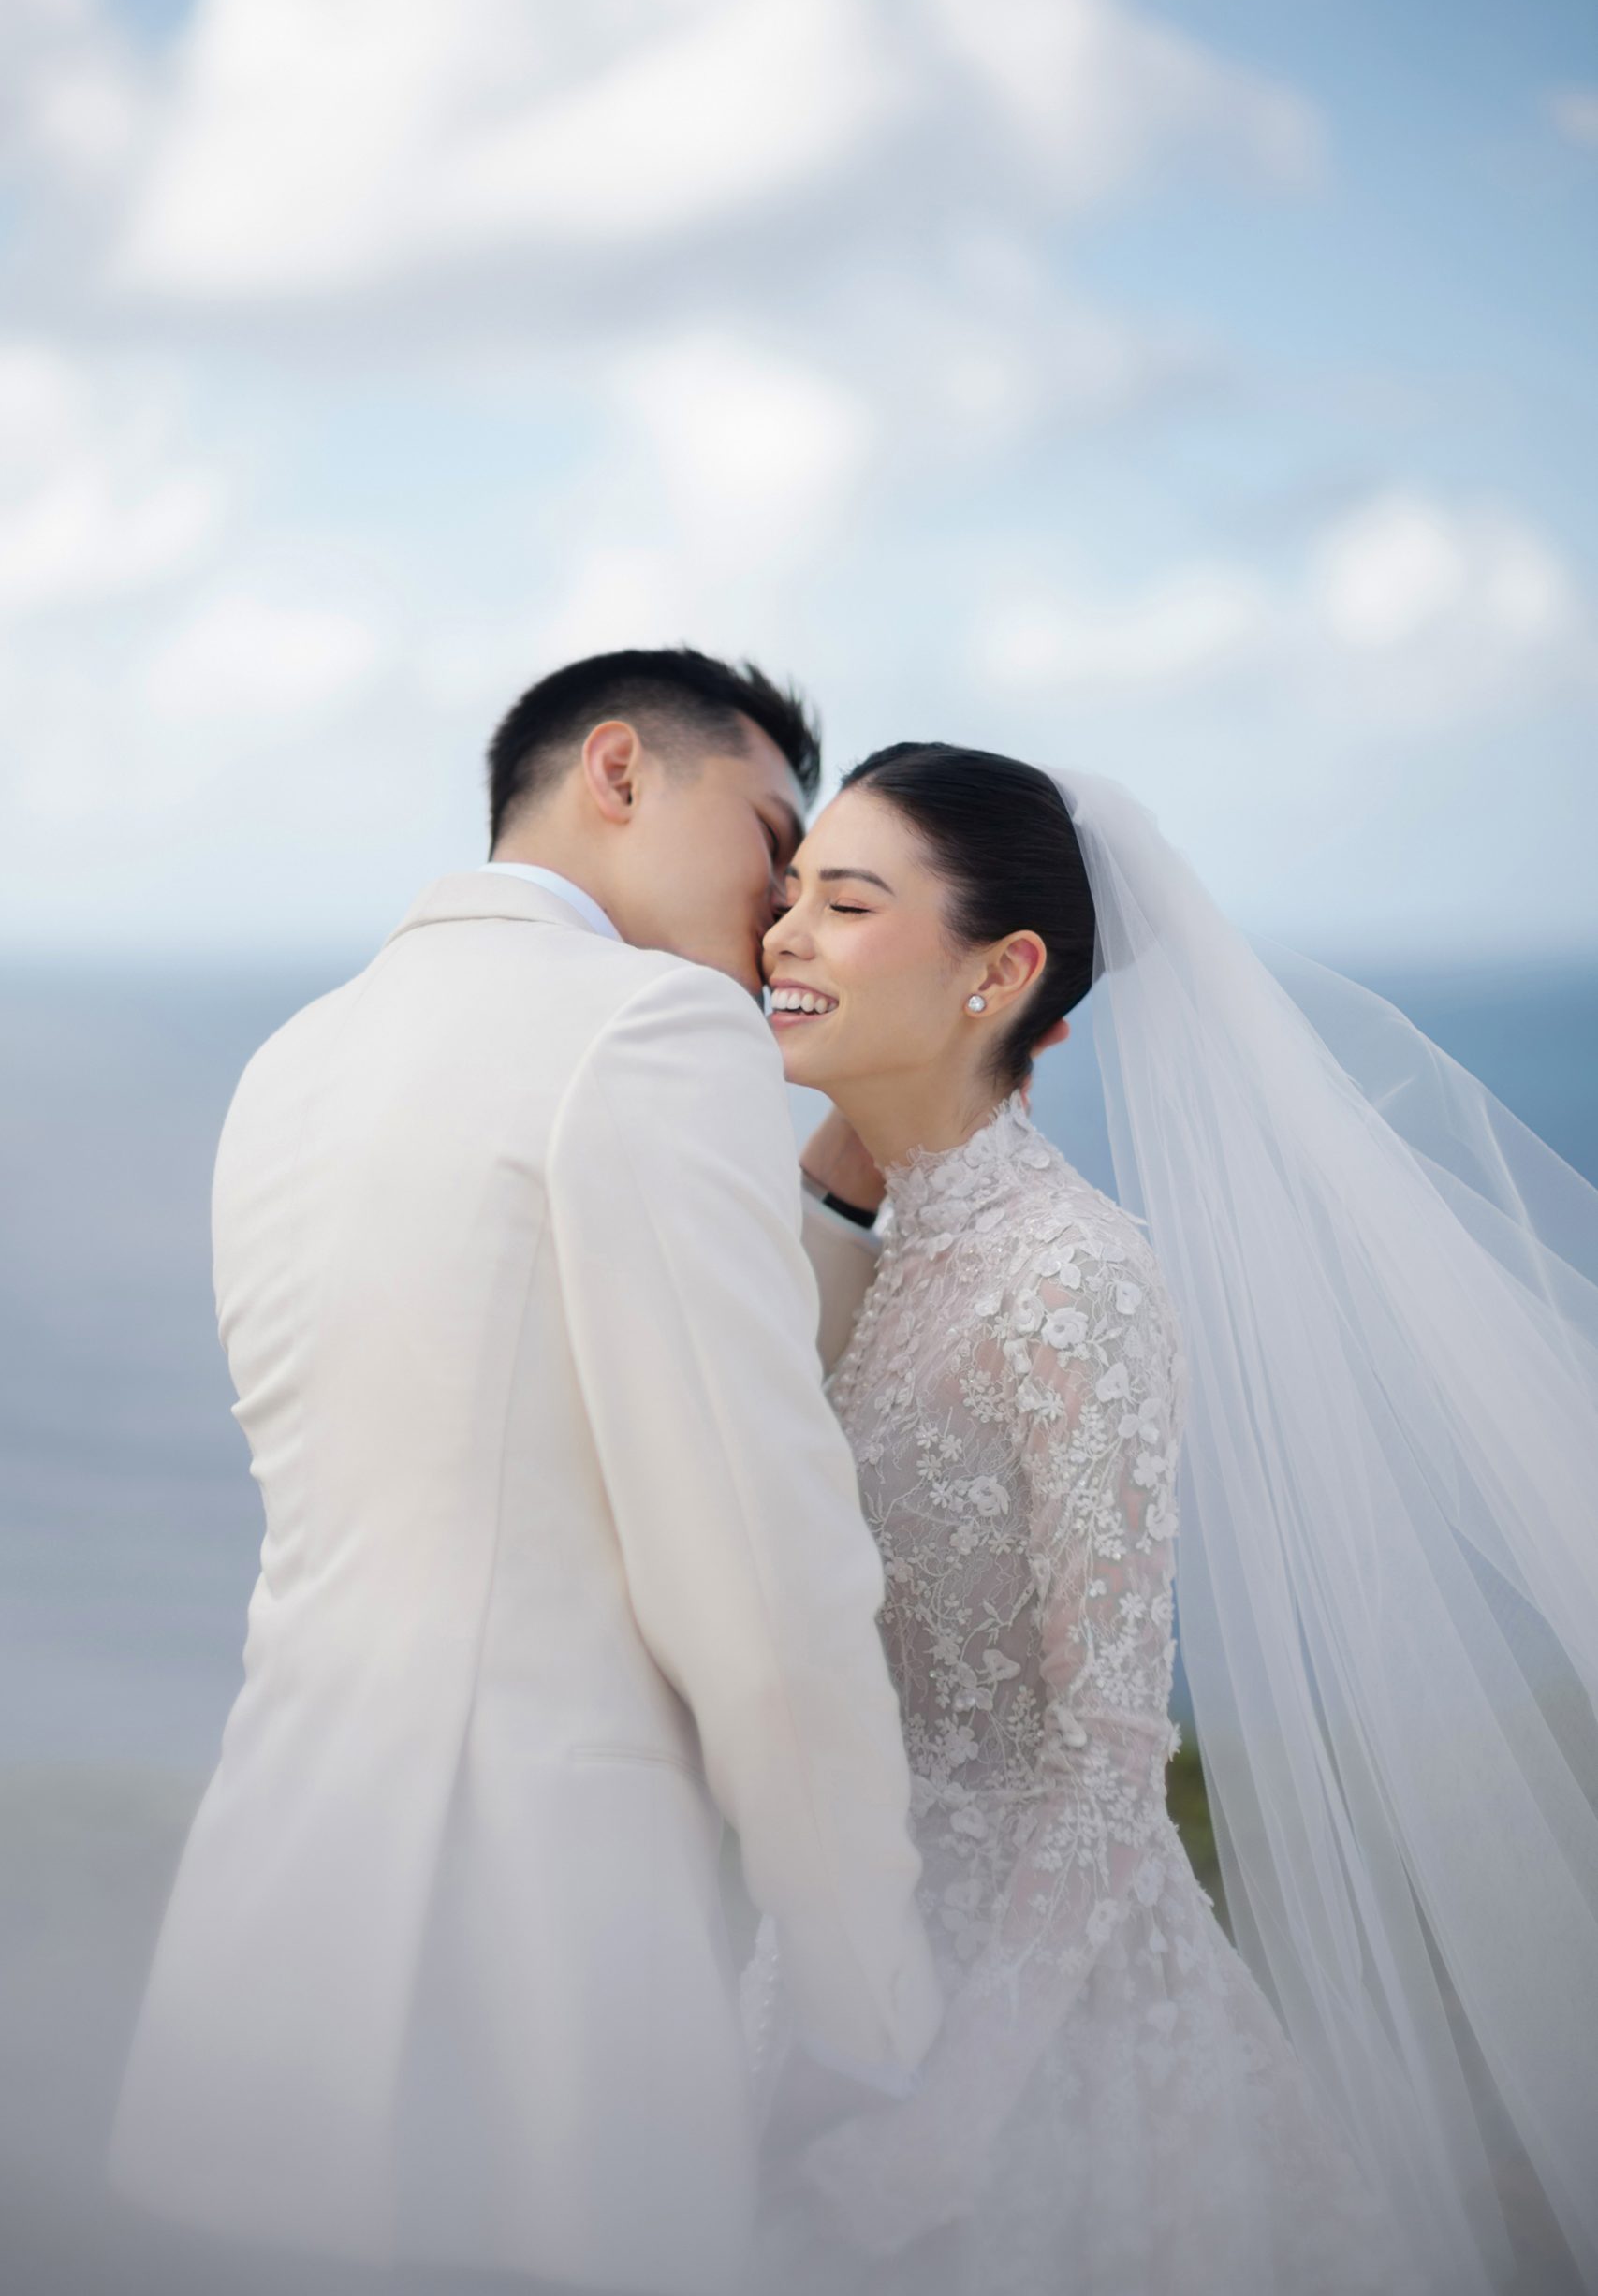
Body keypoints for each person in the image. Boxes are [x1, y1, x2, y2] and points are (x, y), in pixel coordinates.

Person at [107, 650, 941, 2296]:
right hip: (525, 1979)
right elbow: (760, 1573)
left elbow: (518, 1397)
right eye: (772, 840)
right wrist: (870, 1996)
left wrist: (836, 1198)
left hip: (254, 1963)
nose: (783, 909)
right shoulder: (653, 1028)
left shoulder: (294, 1059)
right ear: (617, 770)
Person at [750, 742, 1598, 2296]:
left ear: (1000, 972)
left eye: (846, 904)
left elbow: (1104, 1761)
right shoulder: (891, 1245)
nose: (783, 932)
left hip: (1034, 2039)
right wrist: (840, 1165)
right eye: (791, 891)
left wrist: (950, 2125)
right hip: (837, 1969)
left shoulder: (1071, 1281)